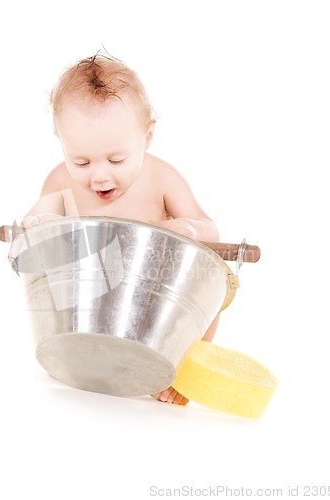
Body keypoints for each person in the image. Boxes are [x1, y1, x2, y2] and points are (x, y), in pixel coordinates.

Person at [22, 52, 220, 405]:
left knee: (208, 284)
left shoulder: (161, 178)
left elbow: (210, 232)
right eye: (80, 161)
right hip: (90, 308)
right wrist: (40, 220)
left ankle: (183, 371)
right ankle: (72, 353)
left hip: (154, 311)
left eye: (117, 160)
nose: (99, 175)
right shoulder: (59, 180)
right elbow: (39, 219)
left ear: (147, 137)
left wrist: (183, 228)